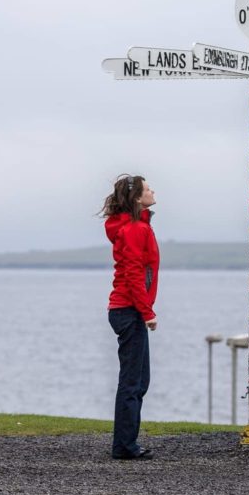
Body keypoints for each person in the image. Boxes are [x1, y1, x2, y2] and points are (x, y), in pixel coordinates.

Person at [102, 174, 159, 460]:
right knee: (133, 383)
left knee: (139, 381)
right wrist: (147, 311)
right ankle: (124, 446)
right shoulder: (137, 229)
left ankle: (126, 443)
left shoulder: (135, 226)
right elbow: (135, 273)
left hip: (127, 309)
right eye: (148, 188)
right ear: (138, 197)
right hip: (130, 310)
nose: (153, 191)